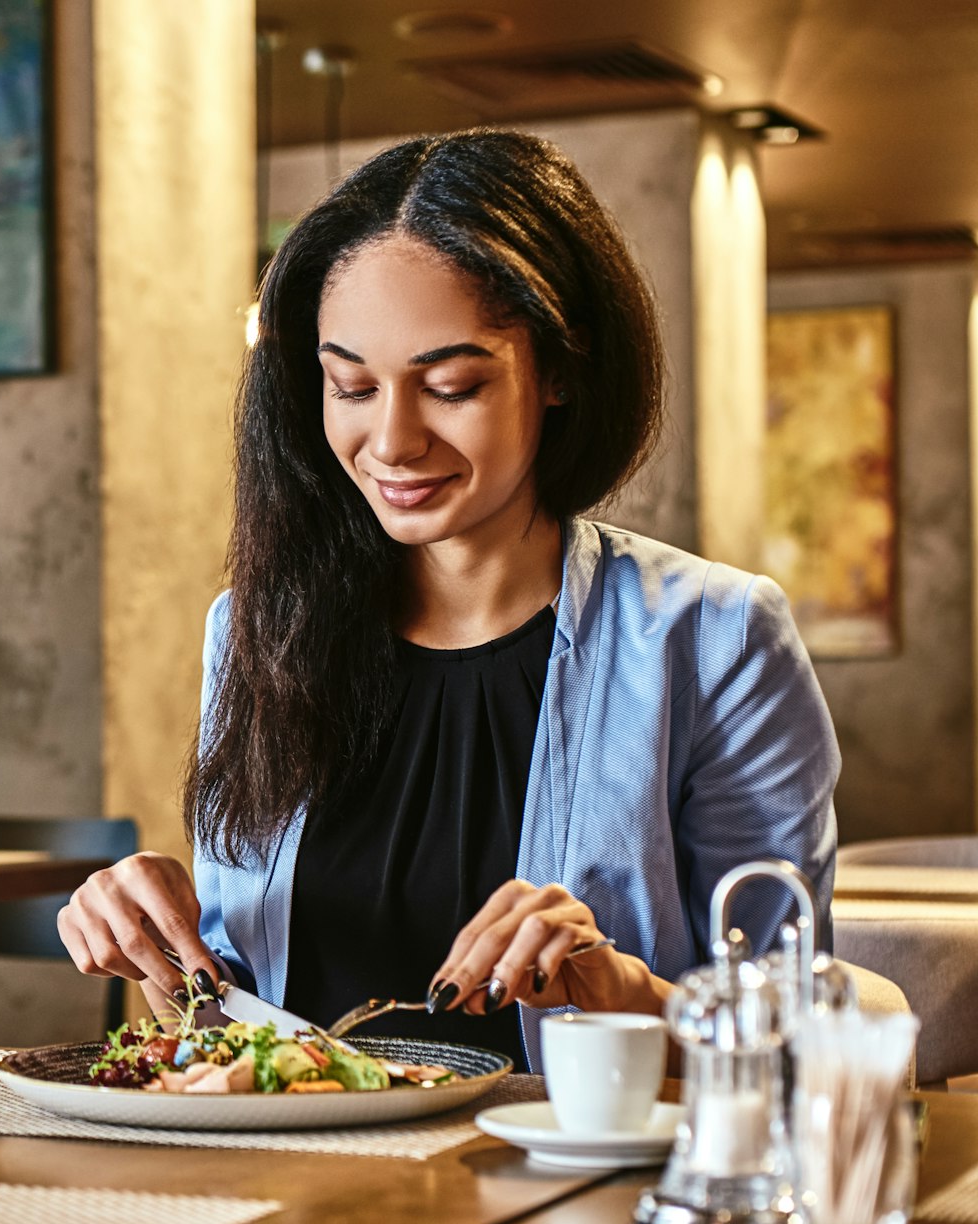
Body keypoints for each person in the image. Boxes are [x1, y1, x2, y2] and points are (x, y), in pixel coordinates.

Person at [57, 129, 839, 1067]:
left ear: (559, 370)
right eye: (350, 385)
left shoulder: (713, 640)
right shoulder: (257, 631)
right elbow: (232, 1024)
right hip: (300, 1191)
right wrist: (151, 945)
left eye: (451, 385)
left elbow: (794, 1033)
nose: (392, 440)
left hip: (574, 1193)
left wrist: (613, 983)